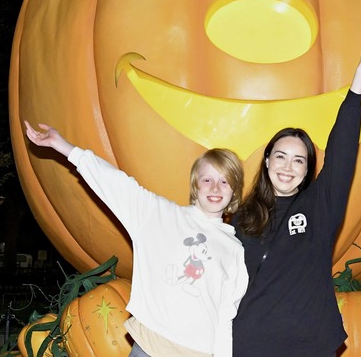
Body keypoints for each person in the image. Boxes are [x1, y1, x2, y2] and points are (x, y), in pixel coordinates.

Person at [25, 120, 248, 357]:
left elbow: (227, 315)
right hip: (149, 347)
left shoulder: (234, 249)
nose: (215, 187)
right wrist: (63, 146)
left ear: (234, 190)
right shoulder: (161, 215)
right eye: (207, 180)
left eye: (224, 181)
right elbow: (117, 184)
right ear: (195, 185)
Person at [231, 36, 361, 357]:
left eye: (298, 160)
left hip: (308, 344)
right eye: (281, 156)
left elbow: (343, 149)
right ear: (266, 161)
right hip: (249, 343)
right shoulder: (242, 217)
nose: (288, 167)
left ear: (308, 170)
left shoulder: (319, 207)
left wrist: (360, 79)